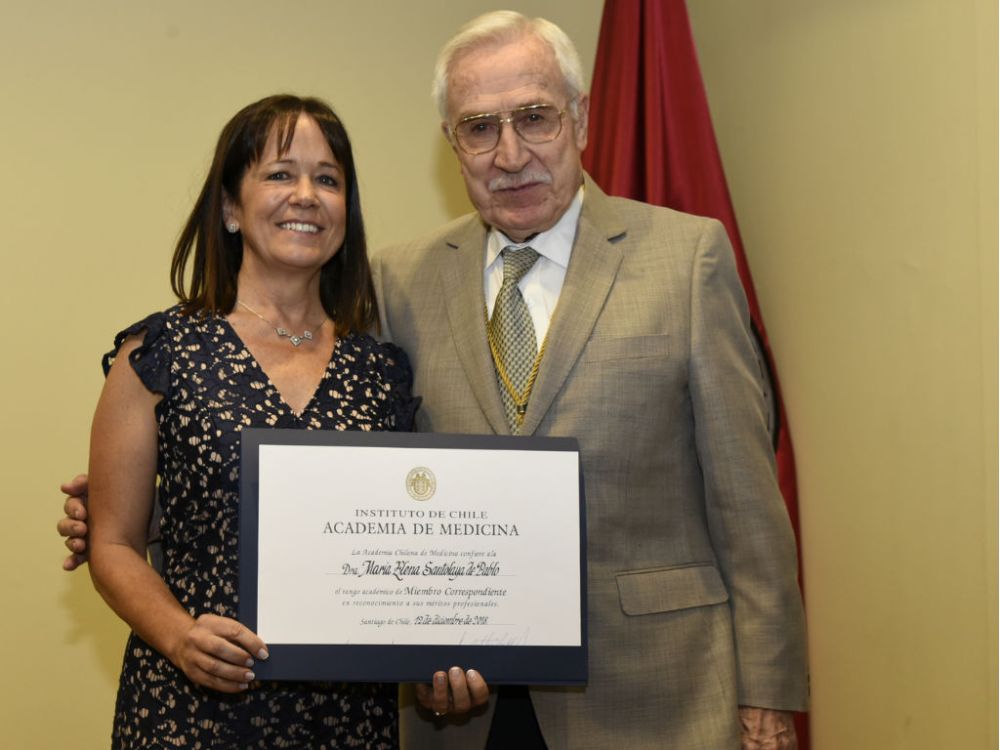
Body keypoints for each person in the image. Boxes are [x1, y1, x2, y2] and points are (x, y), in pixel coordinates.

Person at [61, 11, 808, 749]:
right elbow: (340, 476)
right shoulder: (403, 280)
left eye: (535, 118)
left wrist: (767, 699)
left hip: (653, 694)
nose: (509, 153)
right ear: (452, 143)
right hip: (458, 710)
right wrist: (136, 501)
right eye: (479, 128)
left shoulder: (685, 258)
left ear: (579, 119)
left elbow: (746, 501)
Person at [76, 94, 414, 749]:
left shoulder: (383, 372)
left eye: (329, 179)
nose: (307, 195)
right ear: (230, 207)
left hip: (349, 720)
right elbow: (112, 542)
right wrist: (181, 637)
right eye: (281, 173)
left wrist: (439, 651)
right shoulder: (159, 353)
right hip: (194, 708)